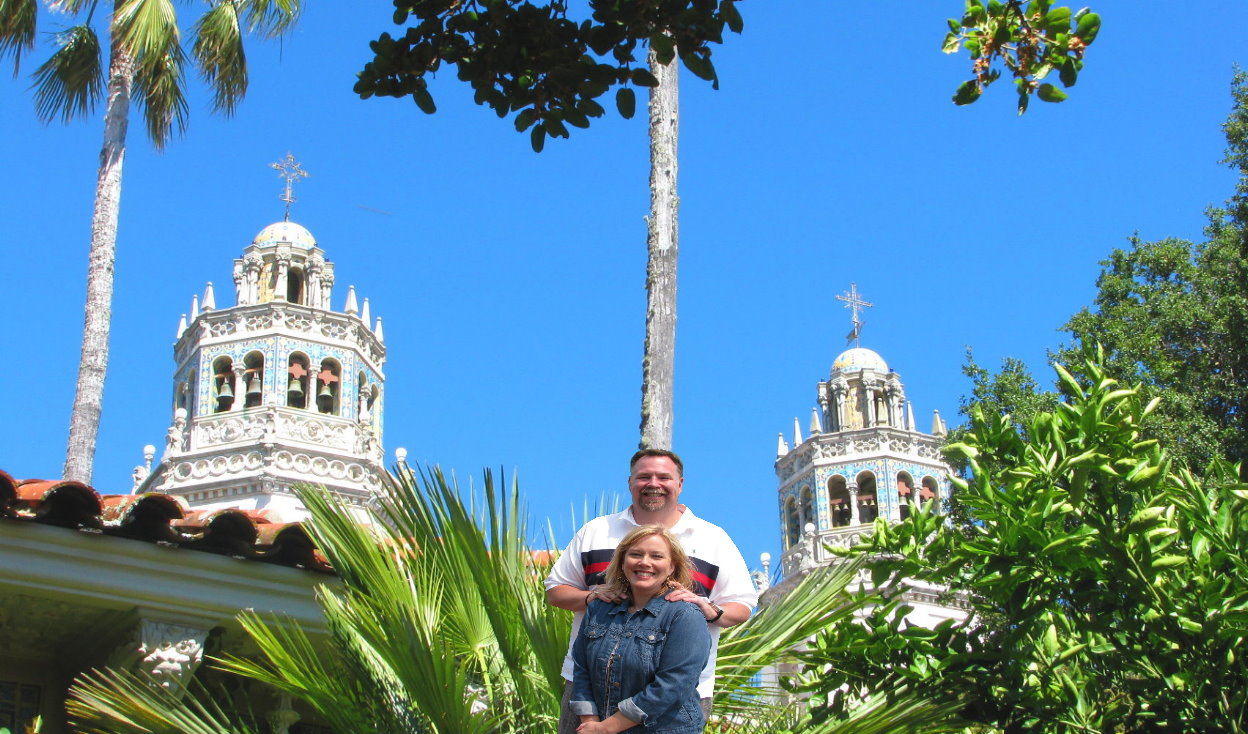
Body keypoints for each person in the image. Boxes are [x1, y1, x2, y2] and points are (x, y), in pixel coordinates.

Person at [545, 449, 758, 733]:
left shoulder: (713, 539)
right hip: (590, 691)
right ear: (630, 482)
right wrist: (591, 597)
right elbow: (555, 590)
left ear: (679, 484)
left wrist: (710, 611)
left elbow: (742, 605)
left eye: (663, 477)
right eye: (644, 476)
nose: (653, 484)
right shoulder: (596, 531)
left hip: (675, 695)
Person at [570, 525, 710, 733]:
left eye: (657, 556)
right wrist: (591, 724)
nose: (645, 562)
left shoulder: (685, 615)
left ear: (672, 566)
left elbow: (673, 684)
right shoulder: (599, 608)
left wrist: (607, 728)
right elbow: (582, 669)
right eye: (636, 554)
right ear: (623, 561)